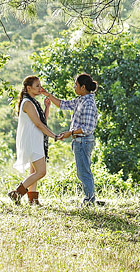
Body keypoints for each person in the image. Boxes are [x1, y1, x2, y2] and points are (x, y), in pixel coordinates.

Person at [43, 74, 99, 206]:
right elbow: (63, 104)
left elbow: (88, 128)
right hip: (78, 141)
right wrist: (48, 95)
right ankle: (89, 198)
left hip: (83, 141)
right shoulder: (81, 100)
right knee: (82, 171)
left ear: (83, 87)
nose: (74, 87)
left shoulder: (89, 103)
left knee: (84, 172)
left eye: (76, 85)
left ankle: (89, 201)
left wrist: (70, 133)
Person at [10, 75, 59, 205]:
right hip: (32, 141)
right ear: (28, 88)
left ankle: (33, 200)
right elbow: (38, 124)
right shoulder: (27, 103)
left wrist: (47, 107)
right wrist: (53, 136)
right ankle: (17, 192)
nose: (40, 88)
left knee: (34, 172)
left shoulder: (33, 102)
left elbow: (43, 121)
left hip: (36, 140)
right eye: (37, 86)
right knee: (41, 172)